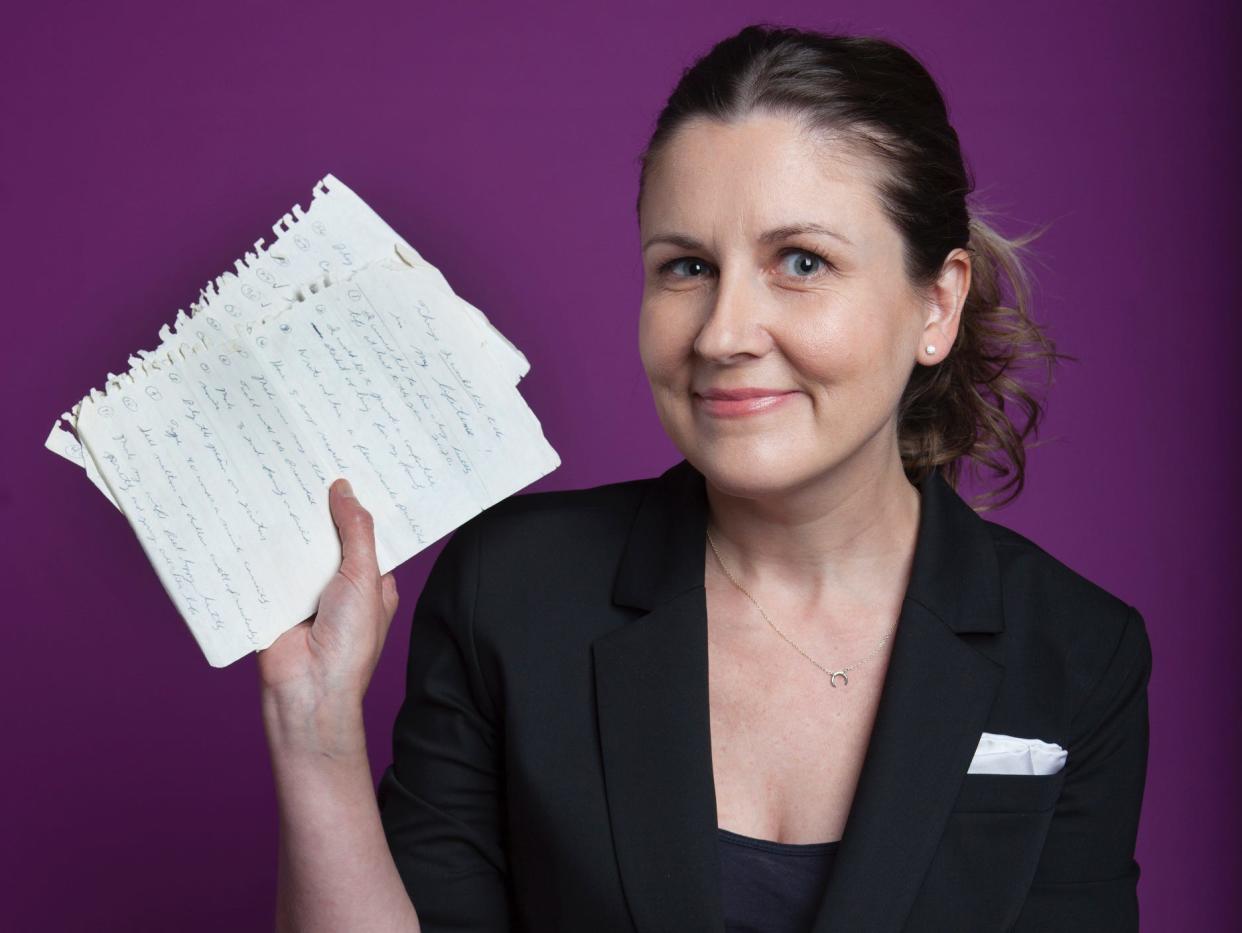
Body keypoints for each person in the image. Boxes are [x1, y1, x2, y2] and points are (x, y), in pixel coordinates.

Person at [256, 24, 1152, 933]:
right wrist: (315, 729)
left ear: (938, 303)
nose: (723, 333)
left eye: (802, 262)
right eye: (687, 267)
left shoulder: (1078, 653)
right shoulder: (513, 590)